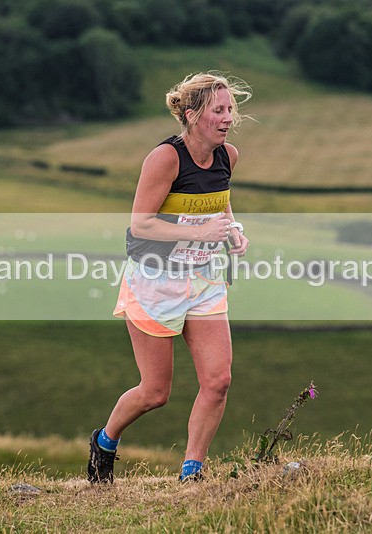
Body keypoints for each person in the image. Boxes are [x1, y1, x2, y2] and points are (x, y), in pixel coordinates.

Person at [87, 72, 252, 483]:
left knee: (218, 382)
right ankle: (104, 442)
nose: (229, 117)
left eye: (231, 108)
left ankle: (192, 471)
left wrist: (233, 231)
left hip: (204, 279)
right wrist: (199, 232)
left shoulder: (227, 155)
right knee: (154, 393)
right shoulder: (165, 159)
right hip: (154, 282)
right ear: (194, 115)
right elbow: (140, 225)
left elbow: (218, 205)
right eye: (219, 110)